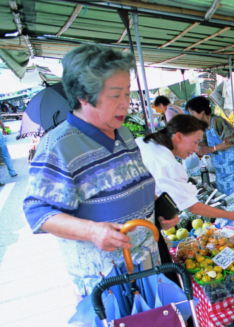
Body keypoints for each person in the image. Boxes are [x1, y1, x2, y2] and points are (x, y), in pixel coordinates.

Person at [23, 43, 164, 297]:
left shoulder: (122, 132)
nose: (125, 104)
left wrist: (159, 209)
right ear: (84, 96)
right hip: (106, 278)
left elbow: (134, 181)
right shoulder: (58, 146)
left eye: (128, 93)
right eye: (115, 95)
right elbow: (38, 212)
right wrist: (92, 231)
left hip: (145, 264)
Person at [136, 114, 234, 226]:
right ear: (178, 137)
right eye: (195, 142)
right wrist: (232, 215)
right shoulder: (169, 165)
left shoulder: (145, 142)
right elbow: (194, 207)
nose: (196, 149)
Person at [186, 96, 234, 195]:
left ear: (202, 111)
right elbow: (204, 143)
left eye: (193, 112)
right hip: (222, 166)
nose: (191, 116)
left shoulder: (217, 121)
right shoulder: (203, 125)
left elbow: (230, 141)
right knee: (224, 194)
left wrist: (212, 148)